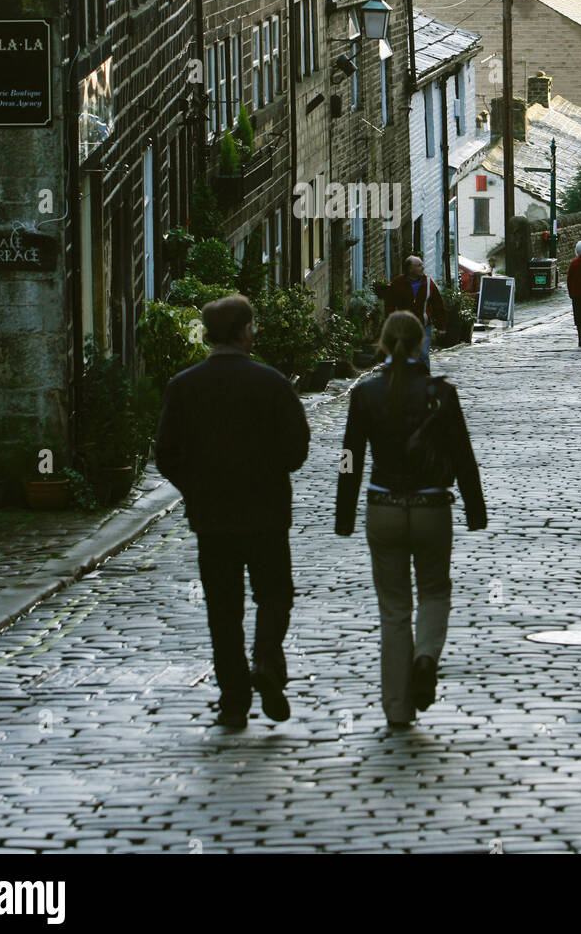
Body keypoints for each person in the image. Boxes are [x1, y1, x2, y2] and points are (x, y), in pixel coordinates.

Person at [154, 294, 310, 730]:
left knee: (223, 610)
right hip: (266, 512)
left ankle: (234, 701)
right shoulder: (272, 383)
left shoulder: (184, 386)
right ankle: (265, 659)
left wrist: (197, 486)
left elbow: (165, 453)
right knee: (274, 595)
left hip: (212, 516)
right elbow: (297, 447)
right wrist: (270, 470)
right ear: (245, 332)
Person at [335, 310, 487, 730]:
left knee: (394, 610)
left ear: (382, 345)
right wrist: (475, 508)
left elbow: (350, 459)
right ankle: (425, 659)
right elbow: (462, 455)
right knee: (435, 592)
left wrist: (344, 513)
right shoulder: (442, 393)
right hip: (431, 508)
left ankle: (398, 710)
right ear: (423, 344)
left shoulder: (365, 395)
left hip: (383, 508)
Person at [383, 255, 447, 369]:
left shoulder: (428, 283)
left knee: (423, 354)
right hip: (403, 327)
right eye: (419, 265)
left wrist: (441, 326)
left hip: (423, 325)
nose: (423, 267)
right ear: (410, 269)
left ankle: (425, 380)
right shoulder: (398, 283)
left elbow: (438, 305)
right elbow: (389, 304)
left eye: (422, 264)